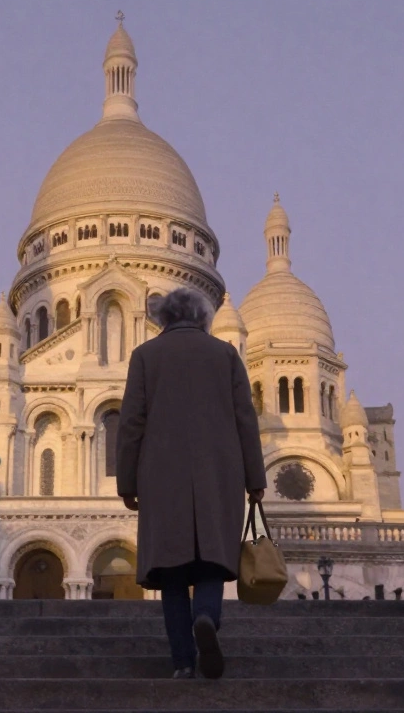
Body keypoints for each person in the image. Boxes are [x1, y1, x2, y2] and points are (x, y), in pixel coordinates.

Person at [116, 287, 266, 679]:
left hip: (162, 478)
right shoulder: (225, 355)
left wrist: (127, 481)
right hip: (219, 473)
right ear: (203, 318)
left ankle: (183, 661)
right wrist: (255, 478)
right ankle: (206, 617)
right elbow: (245, 420)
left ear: (162, 318)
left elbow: (131, 422)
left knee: (171, 572)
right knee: (212, 562)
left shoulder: (145, 356)